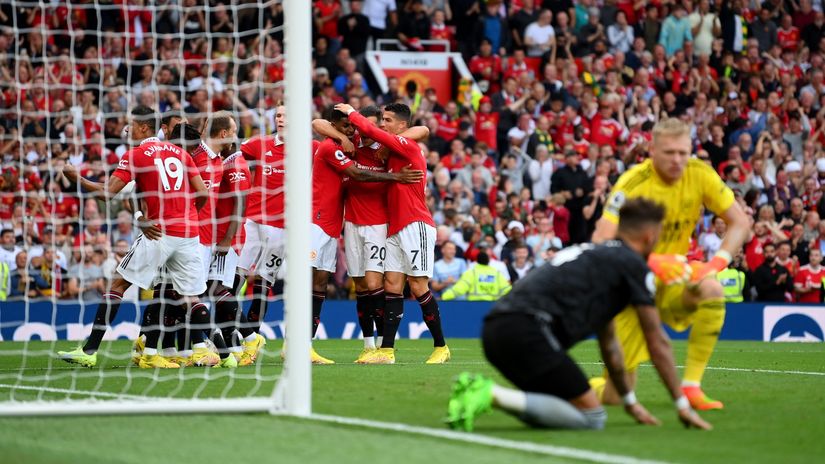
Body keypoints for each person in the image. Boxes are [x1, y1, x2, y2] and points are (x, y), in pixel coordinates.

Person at [446, 198, 711, 432]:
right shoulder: (632, 265)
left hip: (495, 329)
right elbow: (656, 340)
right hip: (527, 330)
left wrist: (630, 402)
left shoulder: (596, 256)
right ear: (650, 236)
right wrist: (681, 404)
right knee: (592, 417)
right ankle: (490, 394)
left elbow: (610, 346)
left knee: (562, 403)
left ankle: (483, 394)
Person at [591, 118, 751, 411]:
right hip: (632, 286)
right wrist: (650, 261)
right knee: (615, 395)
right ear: (652, 150)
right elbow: (602, 237)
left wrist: (715, 263)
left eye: (683, 152)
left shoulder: (700, 174)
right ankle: (583, 387)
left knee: (712, 288)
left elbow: (740, 222)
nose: (677, 160)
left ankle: (691, 386)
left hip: (674, 277)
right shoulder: (633, 182)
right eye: (669, 153)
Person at [57, 105, 209, 369]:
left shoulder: (136, 155)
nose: (128, 130)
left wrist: (76, 178)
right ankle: (217, 352)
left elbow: (107, 193)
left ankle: (90, 351)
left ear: (143, 128)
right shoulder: (181, 153)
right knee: (190, 298)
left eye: (132, 125)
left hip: (158, 233)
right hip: (188, 234)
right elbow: (203, 193)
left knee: (117, 286)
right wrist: (186, 216)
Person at [312, 105, 429, 362]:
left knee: (376, 284)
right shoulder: (351, 142)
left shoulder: (385, 149)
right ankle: (368, 345)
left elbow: (423, 129)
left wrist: (394, 147)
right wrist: (343, 137)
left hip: (378, 225)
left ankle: (383, 345)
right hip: (352, 223)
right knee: (360, 285)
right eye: (360, 126)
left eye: (373, 126)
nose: (363, 132)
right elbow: (318, 123)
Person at [337, 102, 451, 364]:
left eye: (387, 120)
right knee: (392, 287)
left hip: (416, 224)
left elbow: (412, 130)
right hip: (395, 228)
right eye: (382, 120)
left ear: (401, 125)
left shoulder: (407, 147)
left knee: (419, 285)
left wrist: (350, 111)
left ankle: (441, 347)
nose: (383, 124)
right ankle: (386, 351)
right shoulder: (391, 151)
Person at [441, 251, 510, 301]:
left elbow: (459, 289)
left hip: (474, 306)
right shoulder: (496, 274)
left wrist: (444, 297)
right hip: (492, 307)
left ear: (477, 261)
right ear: (488, 261)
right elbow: (507, 290)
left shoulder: (471, 273)